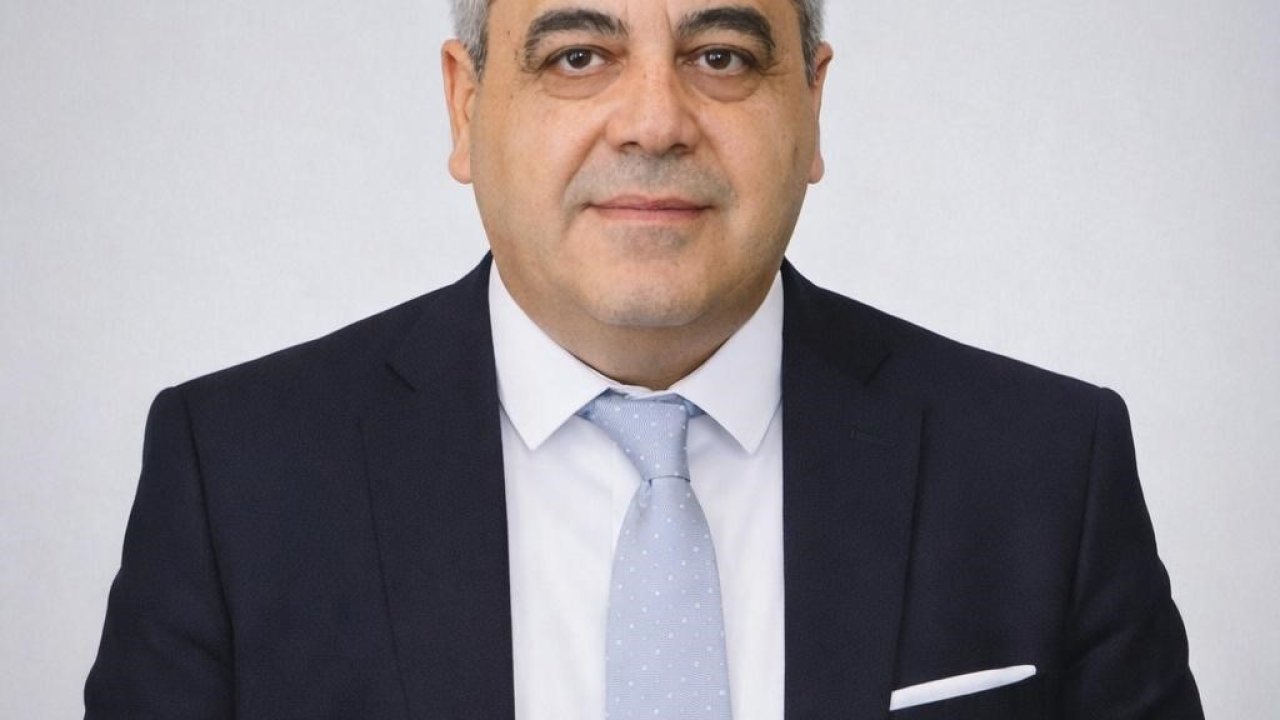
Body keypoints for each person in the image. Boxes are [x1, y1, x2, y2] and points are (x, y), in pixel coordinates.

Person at [85, 1, 1203, 717]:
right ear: (465, 105)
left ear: (812, 107)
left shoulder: (1045, 467)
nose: (655, 121)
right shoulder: (237, 474)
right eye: (579, 56)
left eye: (721, 57)